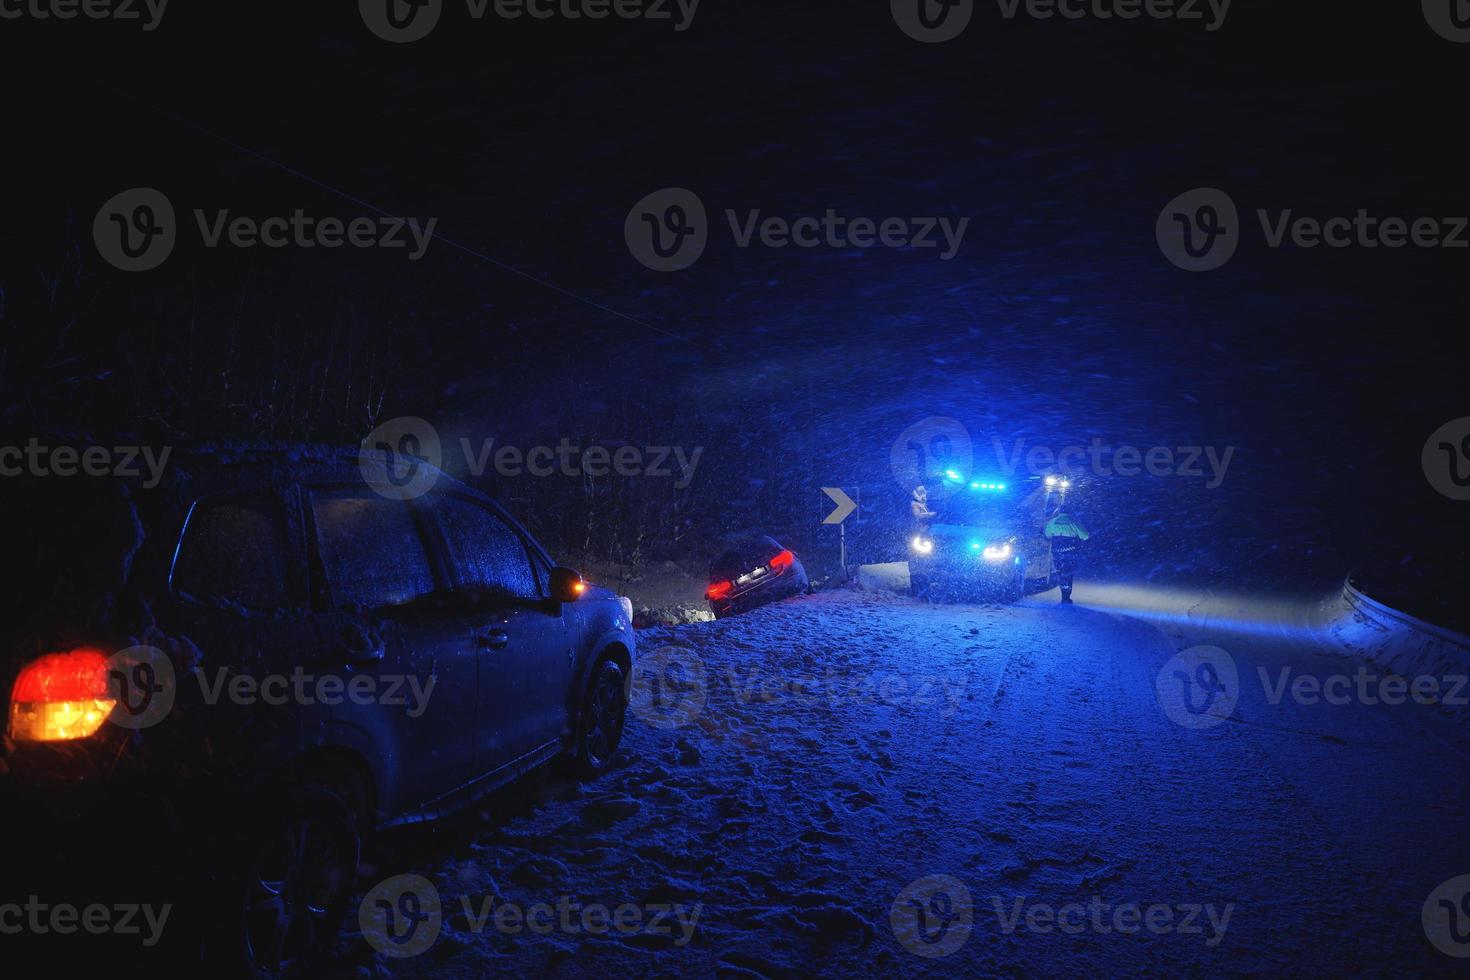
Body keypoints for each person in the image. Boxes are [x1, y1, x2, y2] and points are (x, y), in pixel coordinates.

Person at [1044, 509, 1089, 604]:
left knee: (1060, 573)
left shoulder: (1053, 521)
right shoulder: (1073, 522)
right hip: (1071, 552)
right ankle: (1066, 597)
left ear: (1059, 512)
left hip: (1057, 553)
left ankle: (1063, 593)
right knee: (1068, 574)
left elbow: (1047, 535)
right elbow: (1085, 536)